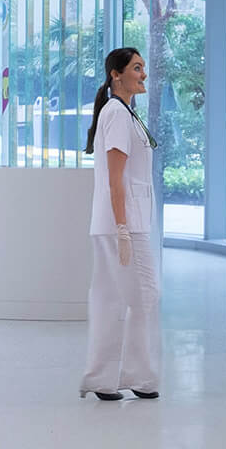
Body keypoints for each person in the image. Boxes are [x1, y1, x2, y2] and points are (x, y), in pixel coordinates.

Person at [80, 47, 161, 401]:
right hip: (123, 224)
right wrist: (124, 229)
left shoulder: (124, 113)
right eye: (136, 68)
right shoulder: (116, 113)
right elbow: (116, 178)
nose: (143, 74)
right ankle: (138, 376)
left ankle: (104, 377)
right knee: (144, 295)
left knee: (112, 299)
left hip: (118, 222)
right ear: (116, 74)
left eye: (143, 68)